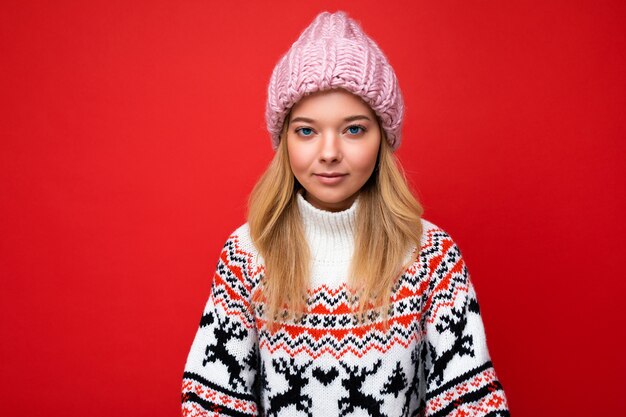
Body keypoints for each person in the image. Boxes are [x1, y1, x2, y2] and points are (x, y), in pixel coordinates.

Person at [181, 10, 510, 417]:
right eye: (306, 130)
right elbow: (211, 402)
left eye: (354, 128)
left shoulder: (431, 257)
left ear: (383, 137)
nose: (330, 151)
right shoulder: (248, 254)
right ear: (284, 141)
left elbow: (473, 405)